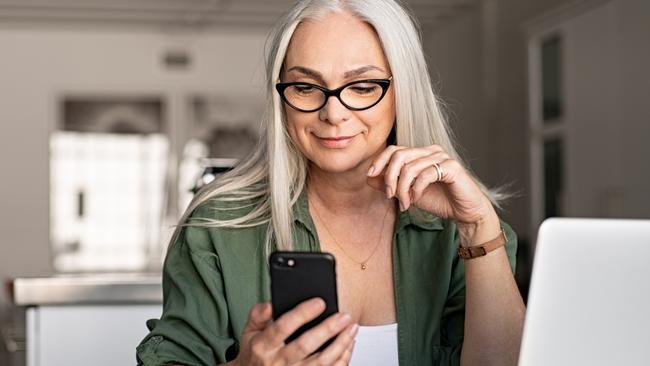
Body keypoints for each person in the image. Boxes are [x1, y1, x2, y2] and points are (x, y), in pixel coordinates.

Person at [136, 0, 526, 365]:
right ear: (280, 98)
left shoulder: (464, 231)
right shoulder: (218, 227)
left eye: (362, 86)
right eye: (305, 87)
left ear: (402, 91)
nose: (333, 112)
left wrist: (478, 227)